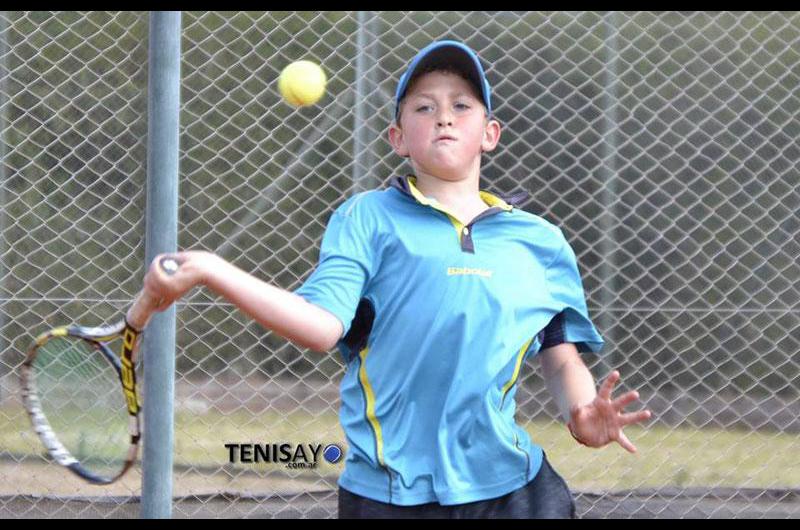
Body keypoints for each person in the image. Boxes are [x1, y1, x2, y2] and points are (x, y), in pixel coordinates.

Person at [142, 40, 651, 519]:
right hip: (389, 493)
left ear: (490, 135)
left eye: (462, 105)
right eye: (424, 107)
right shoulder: (366, 219)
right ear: (398, 138)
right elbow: (320, 326)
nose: (444, 116)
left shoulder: (539, 242)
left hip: (512, 489)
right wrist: (213, 269)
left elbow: (560, 359)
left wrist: (582, 411)